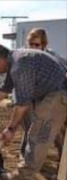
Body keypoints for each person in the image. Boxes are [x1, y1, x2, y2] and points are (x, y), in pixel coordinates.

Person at [0, 42, 67, 180]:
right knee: (50, 134)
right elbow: (5, 89)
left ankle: (23, 177)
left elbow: (22, 103)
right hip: (52, 94)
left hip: (59, 94)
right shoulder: (16, 60)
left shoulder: (21, 64)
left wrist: (11, 129)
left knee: (38, 135)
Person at [19, 28, 67, 160]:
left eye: (37, 45)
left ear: (44, 45)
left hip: (53, 97)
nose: (34, 47)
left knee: (56, 131)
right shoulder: (26, 56)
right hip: (33, 97)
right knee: (30, 129)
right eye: (31, 44)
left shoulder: (54, 57)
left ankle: (62, 163)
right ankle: (25, 159)